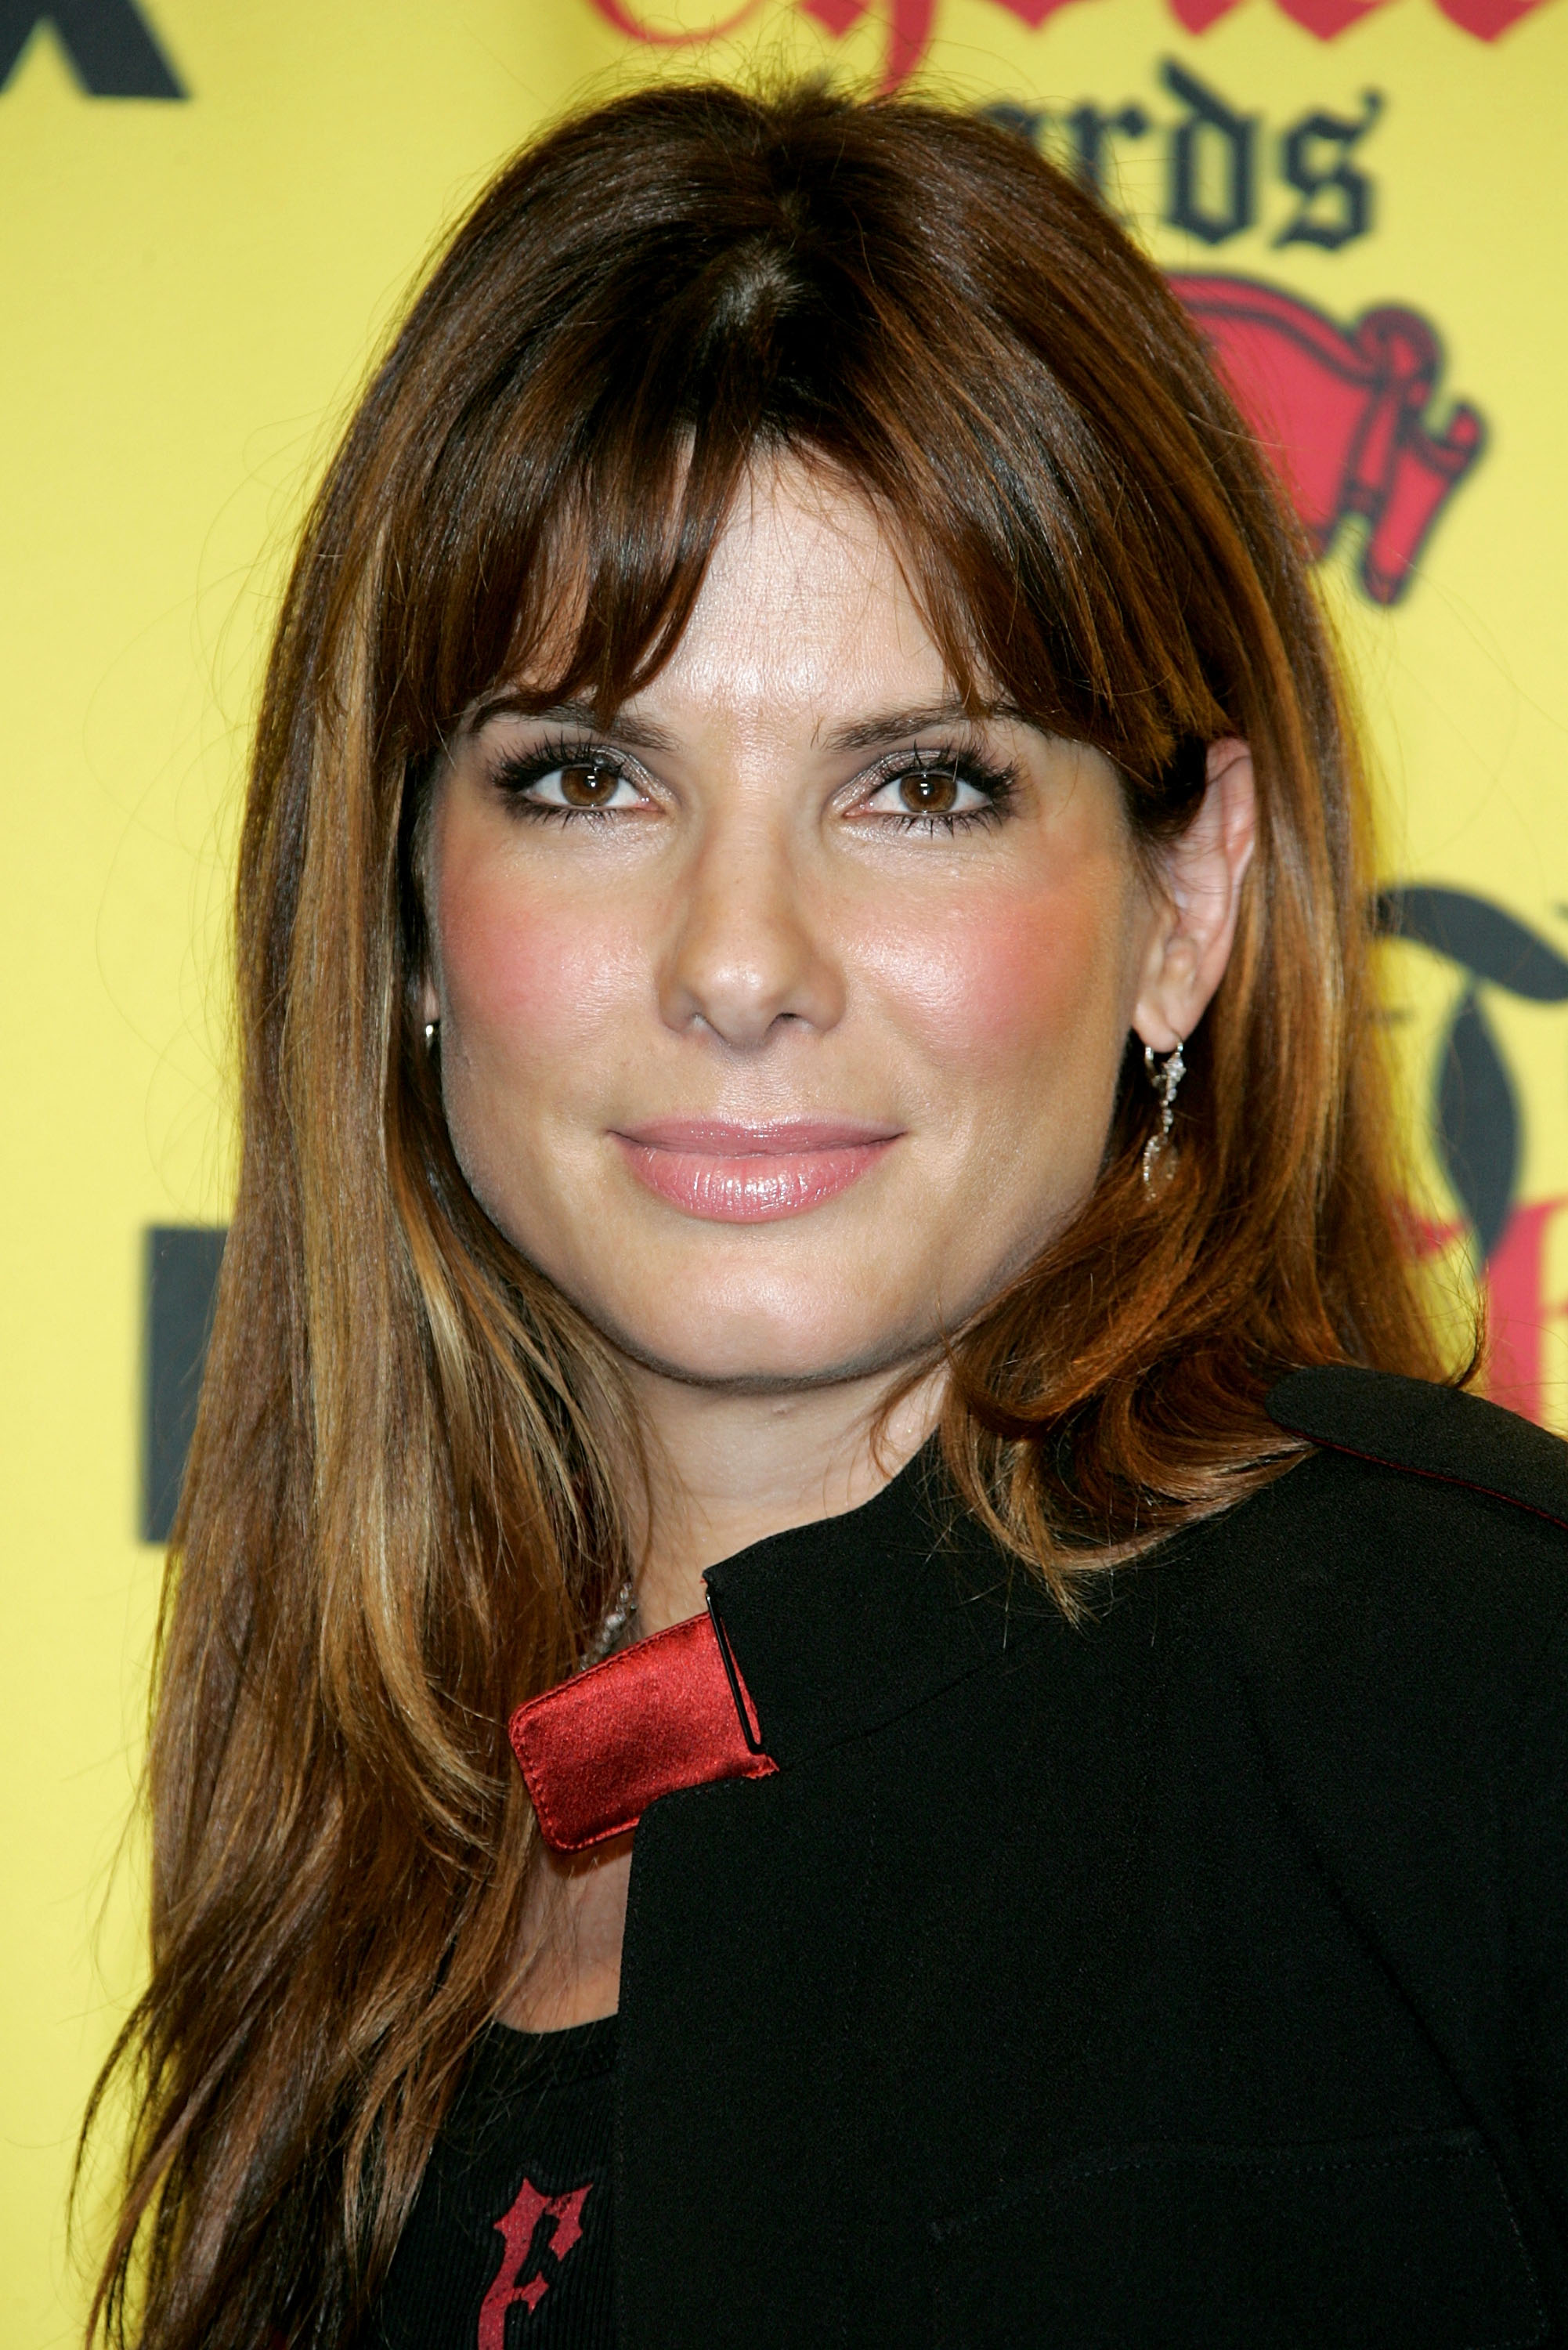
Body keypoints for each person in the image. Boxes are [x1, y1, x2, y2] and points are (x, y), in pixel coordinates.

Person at [85, 79, 1566, 2350]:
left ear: (1189, 895)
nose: (740, 960)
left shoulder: (1479, 1699)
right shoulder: (355, 1864)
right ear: (396, 904)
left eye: (925, 784)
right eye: (584, 777)